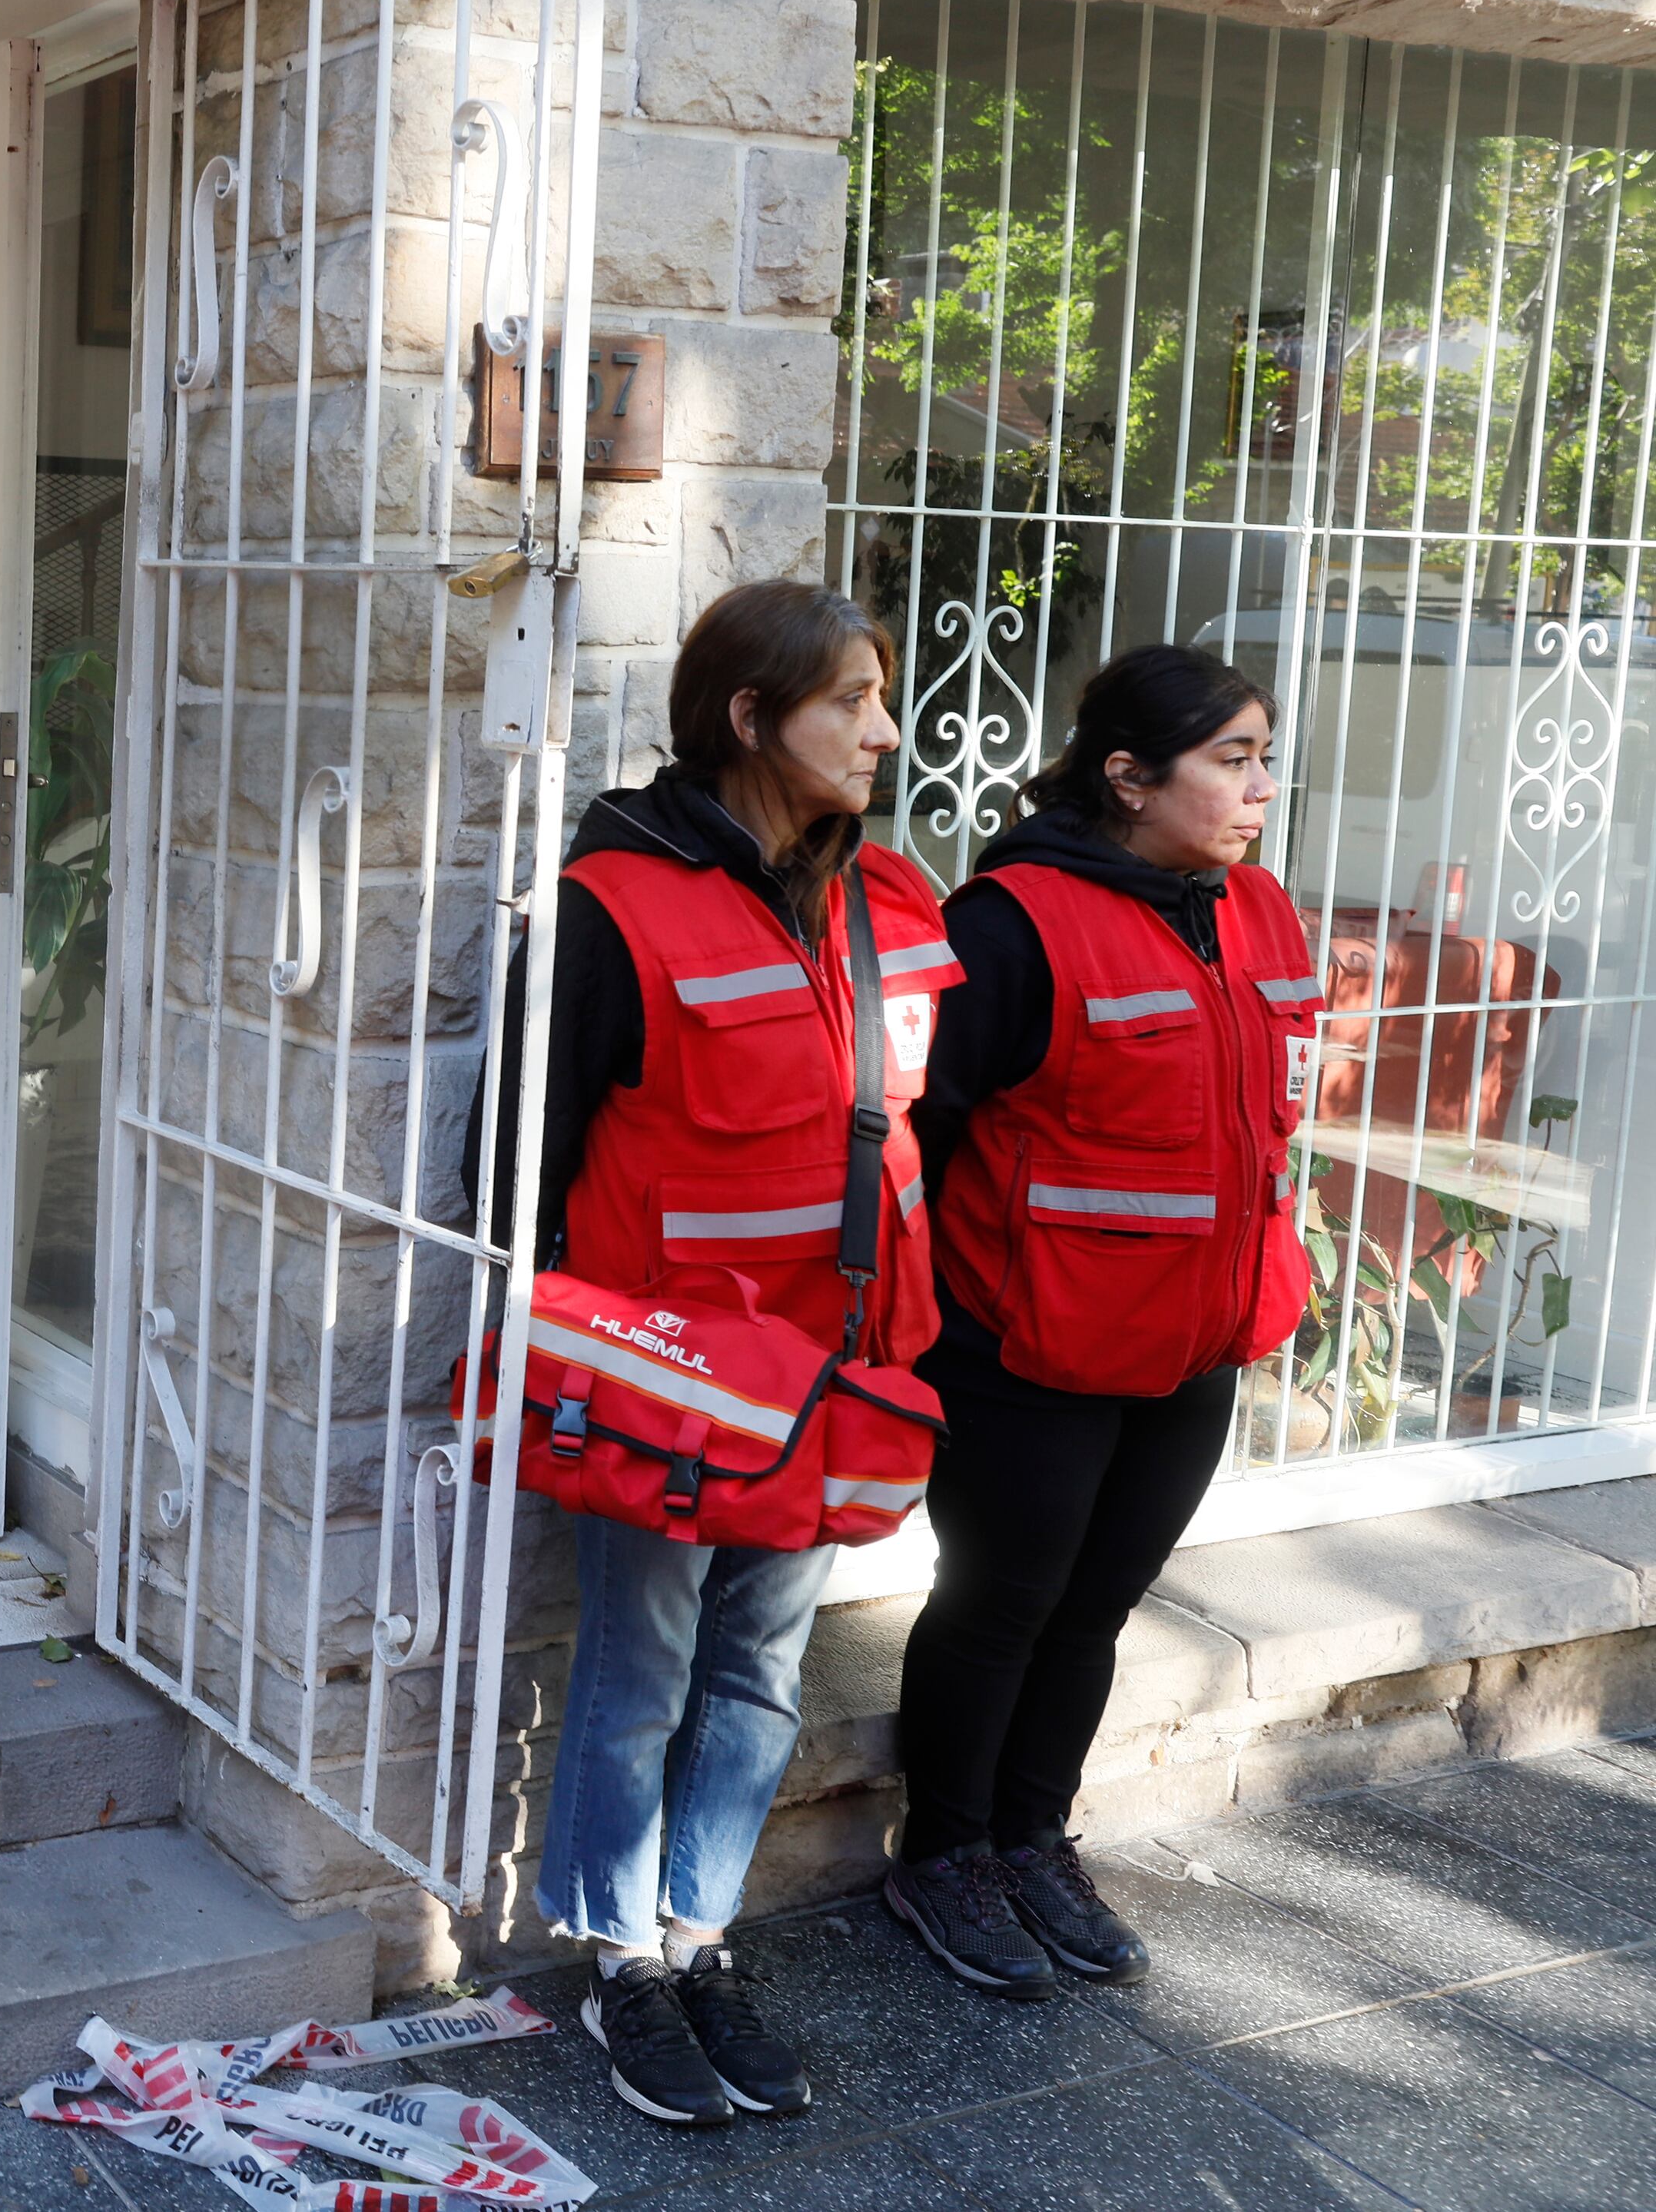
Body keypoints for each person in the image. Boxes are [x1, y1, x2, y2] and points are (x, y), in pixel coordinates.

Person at [473, 579, 950, 2131]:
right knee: (640, 1667)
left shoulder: (892, 900)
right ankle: (617, 1957)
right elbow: (513, 1165)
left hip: (831, 1371)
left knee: (758, 1668)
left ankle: (700, 1935)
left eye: (885, 696)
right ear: (748, 719)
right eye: (850, 703)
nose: (883, 729)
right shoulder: (609, 908)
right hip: (677, 1388)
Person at [884, 645, 1305, 1998]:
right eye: (1230, 759)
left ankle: (1030, 1835)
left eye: (1263, 755)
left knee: (1098, 1603)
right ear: (1128, 776)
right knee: (1001, 1599)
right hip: (1031, 1341)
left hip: (1195, 1337)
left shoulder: (1258, 913)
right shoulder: (1012, 919)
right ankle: (943, 1853)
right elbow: (925, 1131)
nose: (1259, 786)